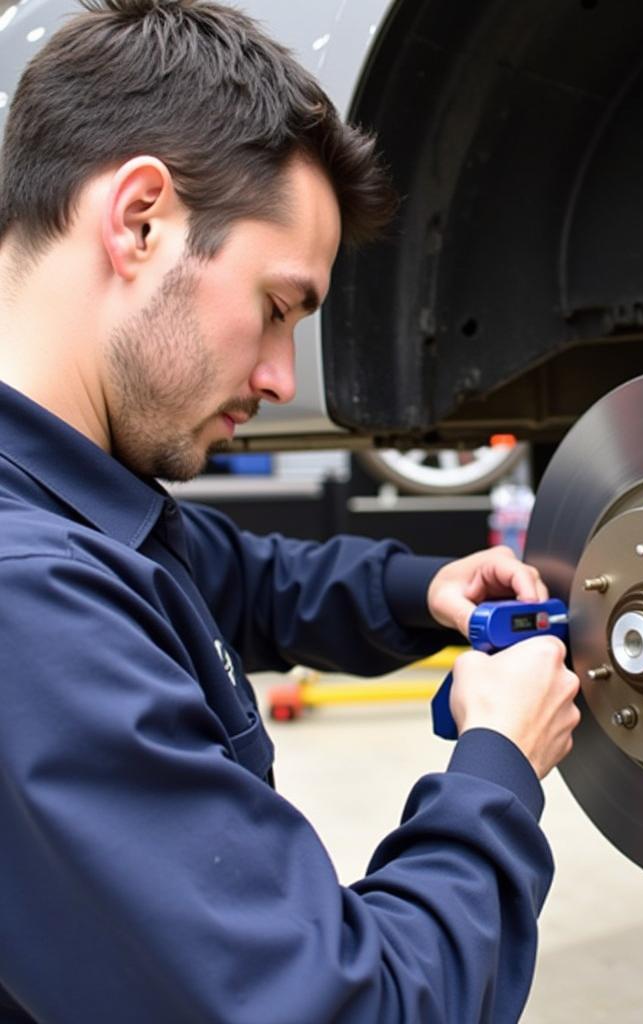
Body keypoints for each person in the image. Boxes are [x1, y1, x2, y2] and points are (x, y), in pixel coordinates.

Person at [0, 1, 581, 1021]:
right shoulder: (30, 609)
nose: (278, 376)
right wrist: (498, 765)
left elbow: (224, 578)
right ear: (140, 220)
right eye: (278, 308)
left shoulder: (64, 499)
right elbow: (351, 1005)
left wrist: (421, 590)